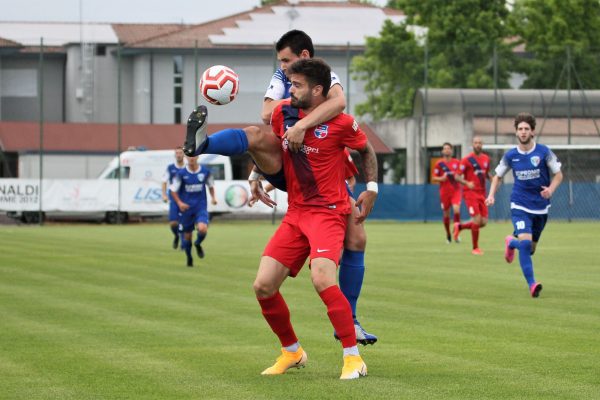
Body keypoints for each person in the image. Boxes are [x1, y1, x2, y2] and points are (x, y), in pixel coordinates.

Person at [184, 29, 377, 344]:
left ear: (304, 58)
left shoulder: (325, 77)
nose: (282, 68)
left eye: (287, 61)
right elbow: (267, 114)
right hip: (296, 167)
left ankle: (350, 322)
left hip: (327, 174)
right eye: (280, 62)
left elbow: (339, 102)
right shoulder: (284, 78)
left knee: (356, 236)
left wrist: (301, 122)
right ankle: (201, 145)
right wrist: (259, 171)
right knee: (255, 134)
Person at [253, 58, 378, 380]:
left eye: (296, 85)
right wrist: (257, 171)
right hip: (296, 212)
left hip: (329, 212)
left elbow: (367, 150)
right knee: (263, 286)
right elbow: (278, 150)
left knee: (323, 278)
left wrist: (372, 188)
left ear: (317, 90)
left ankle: (353, 359)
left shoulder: (341, 122)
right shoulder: (283, 114)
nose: (289, 91)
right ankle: (292, 352)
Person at [485, 113, 562, 297]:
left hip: (541, 206)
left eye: (527, 128)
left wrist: (550, 190)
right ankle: (532, 285)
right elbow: (498, 176)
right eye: (520, 129)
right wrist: (491, 195)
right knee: (526, 244)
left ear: (532, 131)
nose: (523, 132)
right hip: (519, 204)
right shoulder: (511, 155)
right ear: (516, 132)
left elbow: (559, 175)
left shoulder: (544, 152)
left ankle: (511, 242)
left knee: (530, 248)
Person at [169, 155, 218, 267]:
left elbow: (211, 186)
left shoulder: (205, 172)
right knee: (187, 237)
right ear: (186, 158)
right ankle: (189, 258)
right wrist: (180, 203)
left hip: (200, 207)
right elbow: (173, 190)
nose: (192, 158)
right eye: (190, 157)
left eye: (194, 156)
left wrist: (213, 197)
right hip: (186, 209)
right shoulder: (181, 174)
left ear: (198, 157)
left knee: (202, 229)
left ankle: (198, 243)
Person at [454, 136, 491, 255]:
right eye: (476, 143)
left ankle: (460, 227)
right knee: (477, 219)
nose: (478, 145)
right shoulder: (466, 160)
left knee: (483, 222)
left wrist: (493, 178)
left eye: (480, 143)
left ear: (482, 144)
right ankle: (475, 248)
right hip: (470, 193)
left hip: (482, 193)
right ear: (472, 144)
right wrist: (467, 183)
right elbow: (457, 176)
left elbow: (486, 173)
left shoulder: (486, 158)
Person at [431, 143, 462, 243]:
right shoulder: (439, 163)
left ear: (452, 151)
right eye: (445, 149)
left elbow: (462, 174)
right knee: (446, 214)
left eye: (449, 148)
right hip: (444, 192)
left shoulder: (457, 162)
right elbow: (433, 177)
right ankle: (448, 235)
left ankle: (456, 233)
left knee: (456, 210)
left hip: (455, 190)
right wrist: (442, 178)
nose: (447, 150)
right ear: (442, 151)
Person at [162, 146, 186, 249]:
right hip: (174, 198)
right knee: (173, 223)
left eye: (180, 153)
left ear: (183, 154)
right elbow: (164, 181)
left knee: (184, 221)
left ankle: (183, 242)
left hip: (186, 197)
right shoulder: (170, 168)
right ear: (175, 155)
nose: (179, 155)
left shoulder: (188, 167)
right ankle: (176, 236)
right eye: (177, 153)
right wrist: (164, 194)